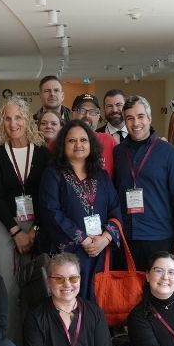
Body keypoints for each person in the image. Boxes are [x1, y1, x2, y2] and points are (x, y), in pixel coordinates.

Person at [0, 96, 50, 346]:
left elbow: (46, 194)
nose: (13, 123)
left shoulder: (43, 154)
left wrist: (33, 230)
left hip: (37, 224)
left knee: (36, 286)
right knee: (9, 288)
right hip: (5, 225)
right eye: (8, 118)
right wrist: (16, 232)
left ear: (27, 119)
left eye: (18, 117)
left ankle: (36, 345)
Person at [39, 120, 121, 300]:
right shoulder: (53, 174)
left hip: (100, 252)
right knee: (70, 302)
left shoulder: (102, 175)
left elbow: (116, 211)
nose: (78, 145)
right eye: (72, 140)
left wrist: (105, 239)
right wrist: (83, 239)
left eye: (83, 140)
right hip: (69, 254)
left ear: (91, 144)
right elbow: (51, 212)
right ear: (63, 145)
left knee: (99, 301)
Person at [112, 95, 174, 270]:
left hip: (159, 236)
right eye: (130, 118)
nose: (135, 123)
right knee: (129, 292)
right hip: (126, 236)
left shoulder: (168, 152)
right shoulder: (118, 152)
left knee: (159, 290)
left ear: (149, 118)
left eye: (140, 116)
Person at [71, 93, 115, 177]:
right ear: (72, 113)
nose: (87, 115)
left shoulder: (108, 141)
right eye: (82, 110)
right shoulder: (63, 142)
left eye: (93, 112)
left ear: (98, 116)